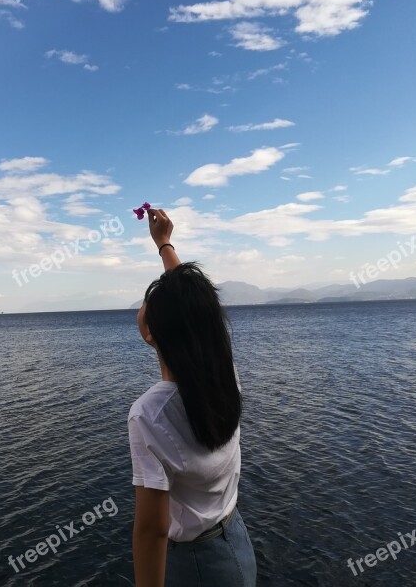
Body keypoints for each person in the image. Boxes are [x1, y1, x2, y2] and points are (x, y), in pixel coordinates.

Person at [129, 208, 257, 586]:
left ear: (154, 332)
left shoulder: (150, 414)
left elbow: (152, 531)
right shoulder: (224, 377)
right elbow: (194, 309)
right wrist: (164, 243)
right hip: (234, 541)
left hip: (197, 566)